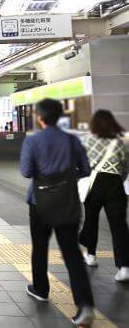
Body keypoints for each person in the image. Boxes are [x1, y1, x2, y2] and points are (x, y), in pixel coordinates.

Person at [20, 98, 94, 326]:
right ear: (60, 116)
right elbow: (86, 169)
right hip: (67, 202)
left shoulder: (33, 141)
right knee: (72, 254)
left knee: (40, 247)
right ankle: (84, 306)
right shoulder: (72, 140)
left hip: (39, 202)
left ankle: (41, 289)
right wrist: (65, 179)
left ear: (39, 117)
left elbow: (26, 171)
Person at [78, 110, 129, 281]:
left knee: (91, 220)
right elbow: (126, 165)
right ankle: (124, 267)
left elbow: (83, 163)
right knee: (119, 226)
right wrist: (118, 179)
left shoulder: (88, 139)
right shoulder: (122, 140)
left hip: (95, 183)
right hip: (115, 184)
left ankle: (91, 255)